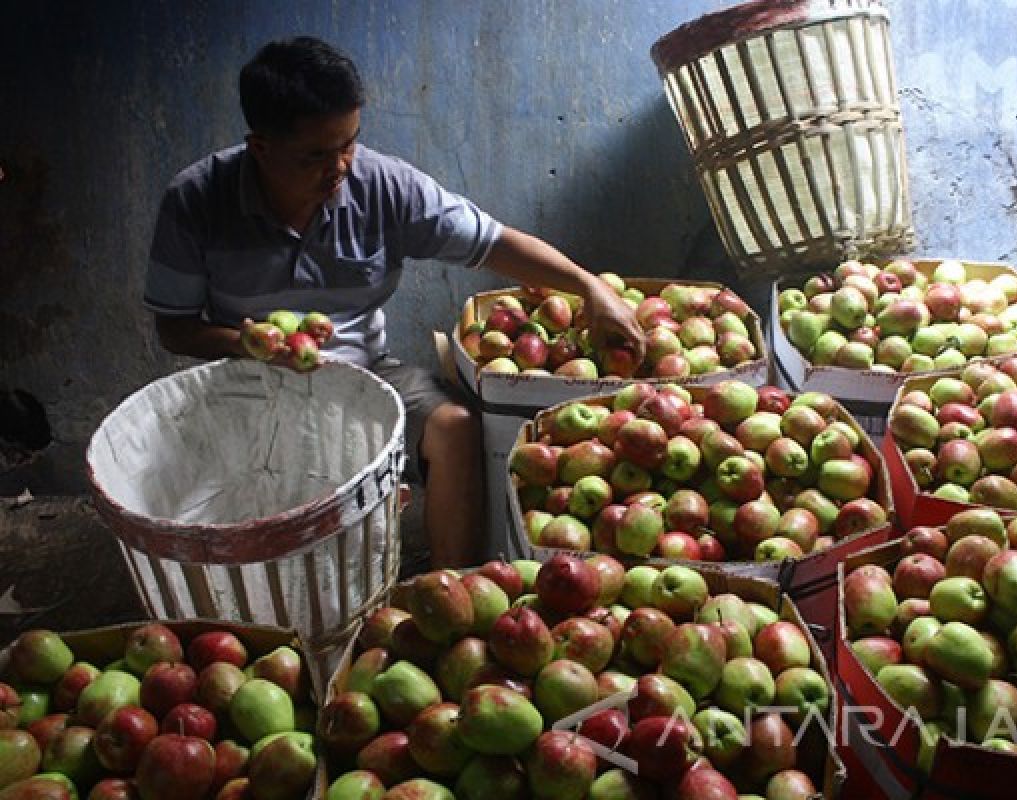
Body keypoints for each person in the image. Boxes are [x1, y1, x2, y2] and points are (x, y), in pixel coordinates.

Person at [144, 36, 644, 568]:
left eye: (349, 143)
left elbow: (492, 242)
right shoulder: (196, 199)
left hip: (368, 376)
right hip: (248, 384)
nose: (338, 167)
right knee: (236, 492)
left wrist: (587, 285)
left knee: (455, 425)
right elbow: (174, 328)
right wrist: (252, 346)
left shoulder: (382, 185)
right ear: (260, 147)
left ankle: (453, 591)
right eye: (315, 154)